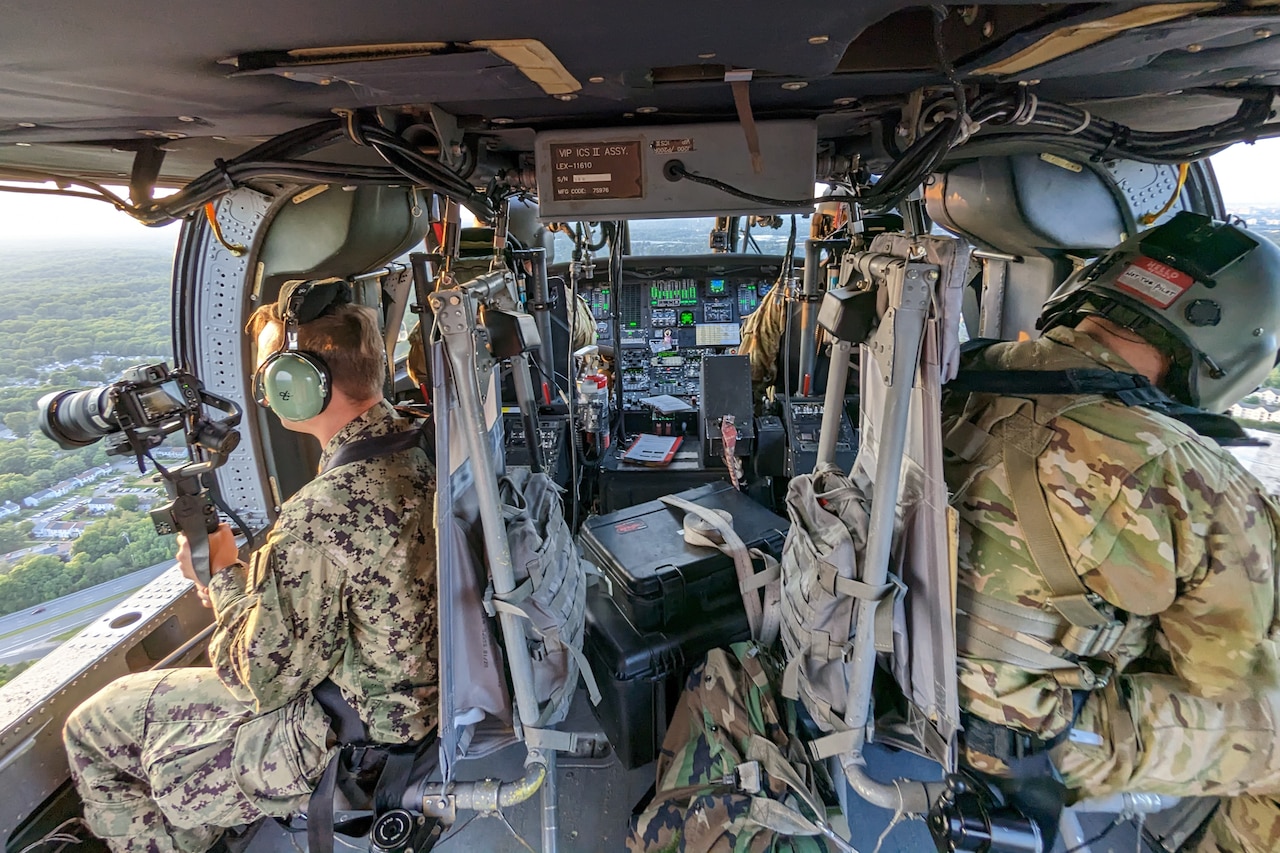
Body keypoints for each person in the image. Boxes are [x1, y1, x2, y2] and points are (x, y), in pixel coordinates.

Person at [942, 212, 1280, 852]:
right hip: (1029, 741)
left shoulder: (958, 375)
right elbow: (1221, 674)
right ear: (1235, 351)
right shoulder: (1187, 470)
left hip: (911, 695)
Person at [62, 279, 438, 853]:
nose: (262, 392)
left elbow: (256, 677)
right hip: (420, 708)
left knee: (93, 724)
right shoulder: (414, 445)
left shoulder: (326, 508)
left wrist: (221, 573)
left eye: (269, 375)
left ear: (300, 385)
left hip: (353, 740)